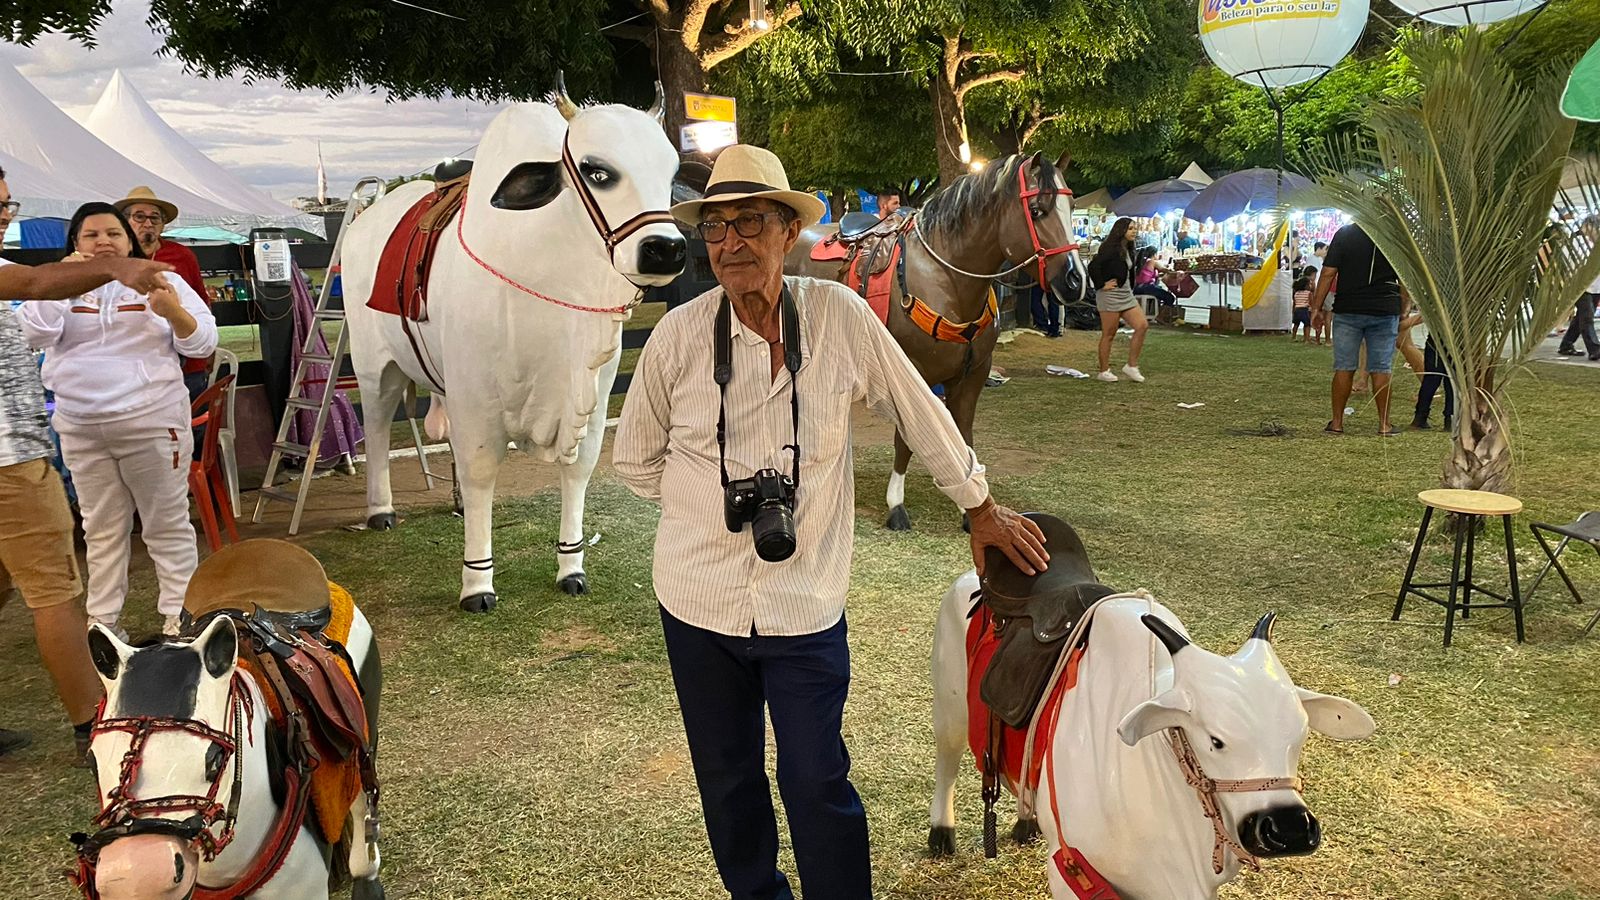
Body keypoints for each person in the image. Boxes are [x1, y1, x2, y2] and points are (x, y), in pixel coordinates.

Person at [613, 145, 1048, 900]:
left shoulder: (839, 316)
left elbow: (921, 407)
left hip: (806, 601)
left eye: (750, 222)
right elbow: (635, 460)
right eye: (716, 228)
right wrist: (705, 514)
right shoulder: (679, 338)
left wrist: (979, 505)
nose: (731, 243)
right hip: (696, 603)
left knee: (818, 775)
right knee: (728, 778)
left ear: (789, 232)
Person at [0, 171, 176, 760]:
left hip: (64, 441)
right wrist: (113, 268)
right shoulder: (40, 277)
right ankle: (91, 726)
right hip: (12, 459)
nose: (6, 214)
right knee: (55, 589)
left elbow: (197, 339)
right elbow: (36, 286)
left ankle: (173, 621)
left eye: (9, 203)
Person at [17, 202, 217, 639]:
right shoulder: (55, 286)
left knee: (165, 522)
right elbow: (32, 335)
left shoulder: (165, 279)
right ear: (74, 244)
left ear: (129, 242)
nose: (103, 241)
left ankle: (181, 617)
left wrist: (174, 313)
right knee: (101, 527)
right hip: (81, 424)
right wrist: (62, 285)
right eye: (90, 235)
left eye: (113, 233)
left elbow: (203, 340)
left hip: (151, 418)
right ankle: (104, 622)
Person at [115, 187, 214, 409]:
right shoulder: (117, 260)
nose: (147, 223)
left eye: (154, 217)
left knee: (192, 426)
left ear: (162, 224)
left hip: (188, 363)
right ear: (125, 222)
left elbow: (201, 300)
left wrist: (209, 348)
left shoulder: (182, 256)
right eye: (139, 216)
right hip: (139, 367)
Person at [1310, 222, 1403, 436]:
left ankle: (1337, 423)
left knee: (1344, 367)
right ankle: (1384, 424)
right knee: (1381, 368)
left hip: (1348, 308)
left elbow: (1327, 273)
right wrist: (1404, 306)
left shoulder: (1345, 234)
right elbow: (1403, 276)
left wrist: (1316, 307)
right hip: (1384, 308)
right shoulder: (1392, 232)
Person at [1085, 217, 1149, 382]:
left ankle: (1131, 366)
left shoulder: (1128, 248)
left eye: (1135, 228)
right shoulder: (1110, 248)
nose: (1134, 231)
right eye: (1130, 228)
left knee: (1142, 325)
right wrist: (1101, 284)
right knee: (1109, 334)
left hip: (1126, 293)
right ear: (1121, 231)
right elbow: (1093, 266)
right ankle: (1104, 371)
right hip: (1110, 295)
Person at [1557, 270, 1600, 360]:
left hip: (1597, 288)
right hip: (1582, 287)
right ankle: (1595, 350)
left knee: (1581, 318)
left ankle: (1566, 345)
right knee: (1587, 318)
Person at [1291, 273, 1314, 342]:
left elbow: (1294, 303)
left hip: (1297, 310)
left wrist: (1293, 311)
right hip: (1304, 310)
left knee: (1296, 324)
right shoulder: (1308, 293)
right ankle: (1306, 338)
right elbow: (1311, 302)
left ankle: (1293, 337)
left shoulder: (1296, 293)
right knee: (1307, 325)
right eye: (1309, 284)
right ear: (1306, 285)